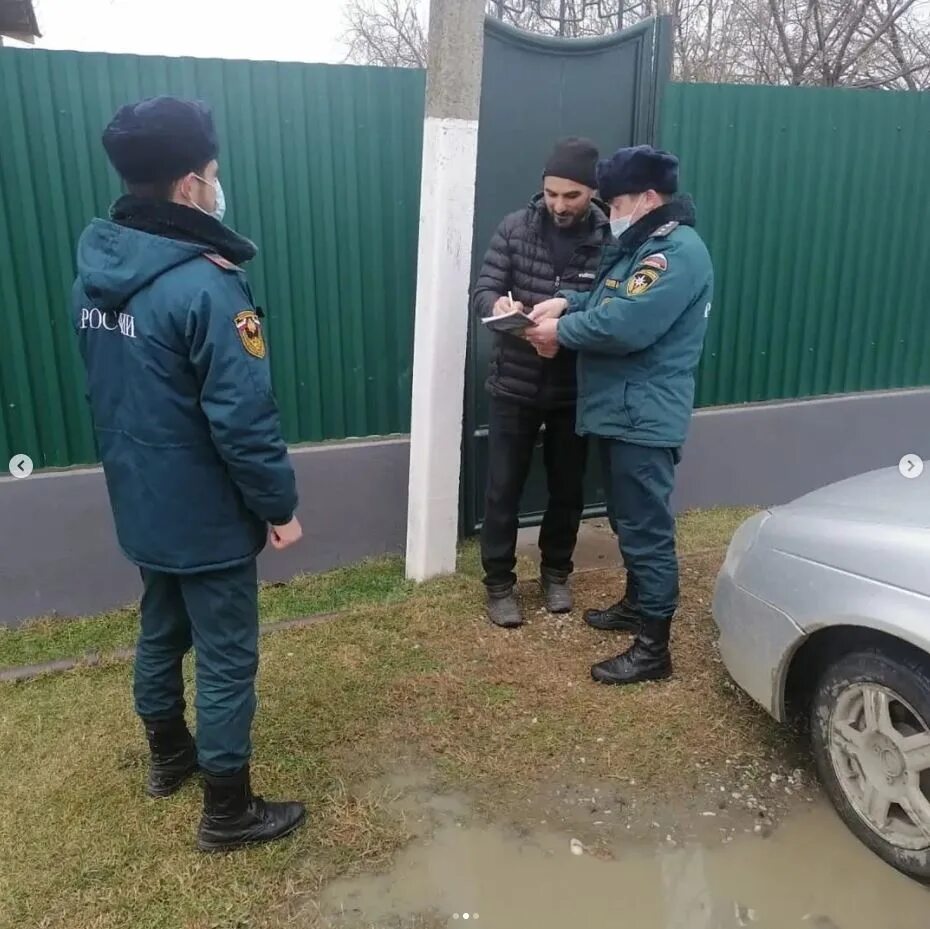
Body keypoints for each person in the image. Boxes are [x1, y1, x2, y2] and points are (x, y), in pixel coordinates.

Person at [72, 96, 306, 851]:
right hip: (204, 511)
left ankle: (168, 756)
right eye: (212, 174)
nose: (218, 185)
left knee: (160, 625)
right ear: (187, 187)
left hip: (140, 498)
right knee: (228, 651)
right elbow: (243, 418)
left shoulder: (94, 277)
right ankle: (228, 809)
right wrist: (278, 505)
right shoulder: (206, 283)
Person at [526, 145, 714, 685]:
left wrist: (558, 332)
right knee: (630, 520)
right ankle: (636, 605)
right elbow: (609, 300)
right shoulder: (642, 246)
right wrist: (564, 302)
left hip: (643, 414)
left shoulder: (673, 253)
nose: (610, 213)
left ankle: (653, 651)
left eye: (617, 202)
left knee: (645, 527)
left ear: (649, 197)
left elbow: (627, 325)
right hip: (625, 411)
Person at [472, 137, 610, 628]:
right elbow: (484, 289)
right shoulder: (514, 227)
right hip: (514, 383)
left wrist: (567, 313)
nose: (559, 204)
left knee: (567, 490)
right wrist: (498, 308)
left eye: (571, 196)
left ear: (592, 192)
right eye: (551, 193)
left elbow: (610, 302)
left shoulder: (610, 238)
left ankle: (556, 574)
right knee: (502, 488)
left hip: (574, 387)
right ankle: (499, 585)